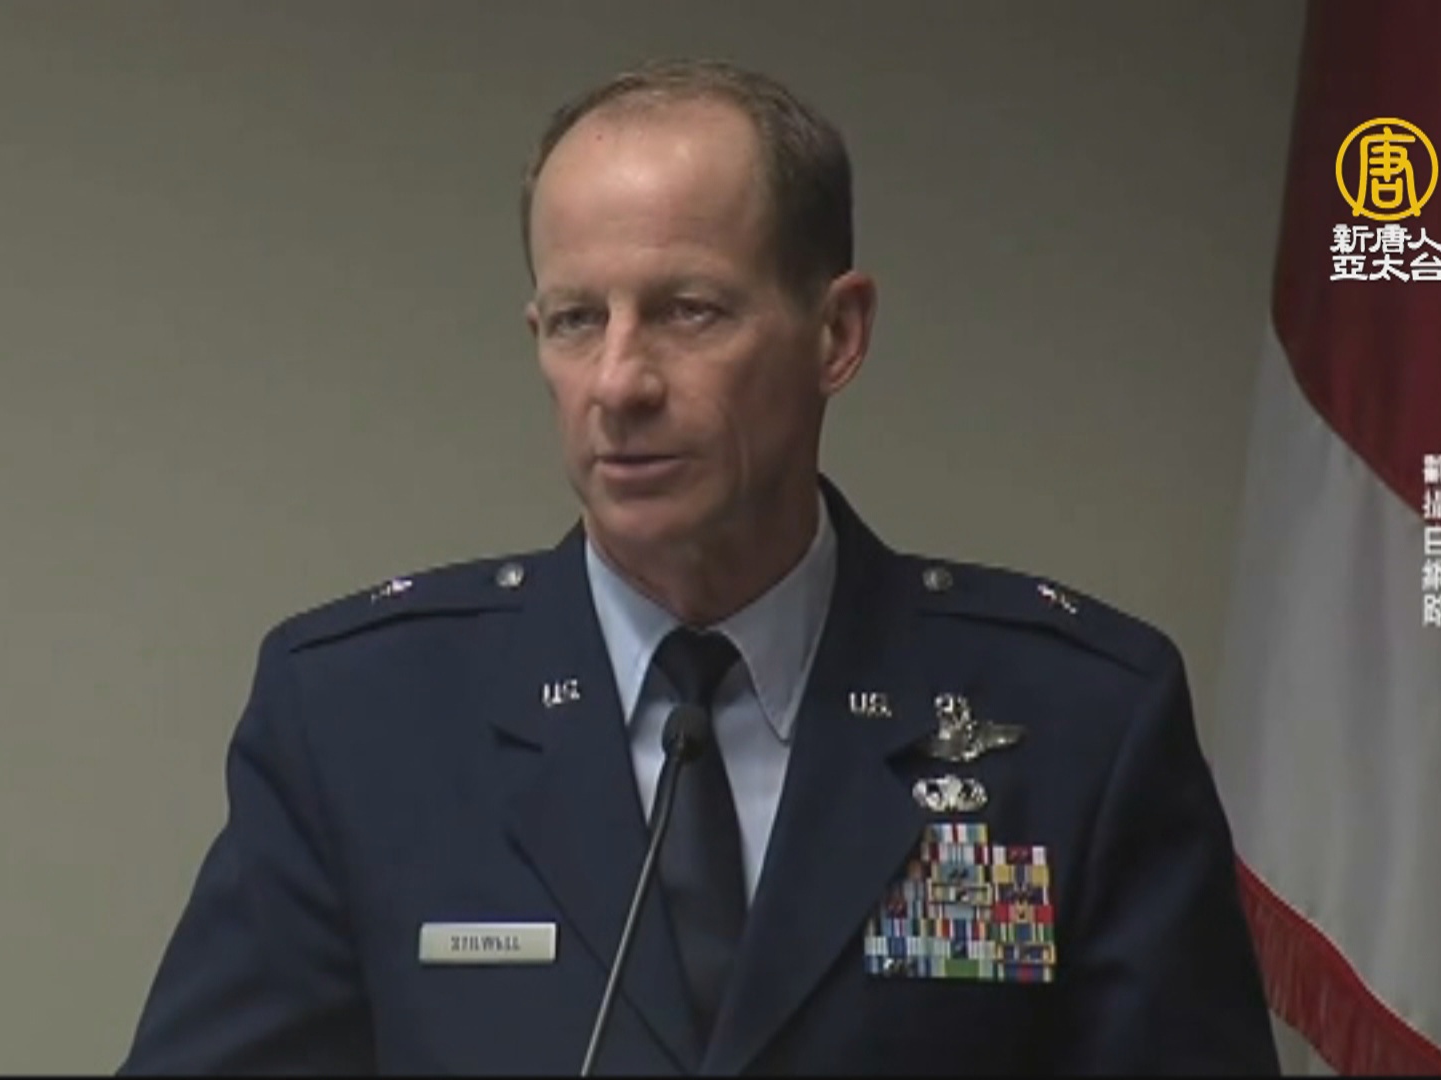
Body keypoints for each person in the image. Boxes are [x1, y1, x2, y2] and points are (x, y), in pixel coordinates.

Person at [117, 58, 1280, 1075]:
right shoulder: (359, 719)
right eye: (578, 320)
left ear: (837, 334)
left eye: (687, 311)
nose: (619, 383)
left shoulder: (1079, 722)